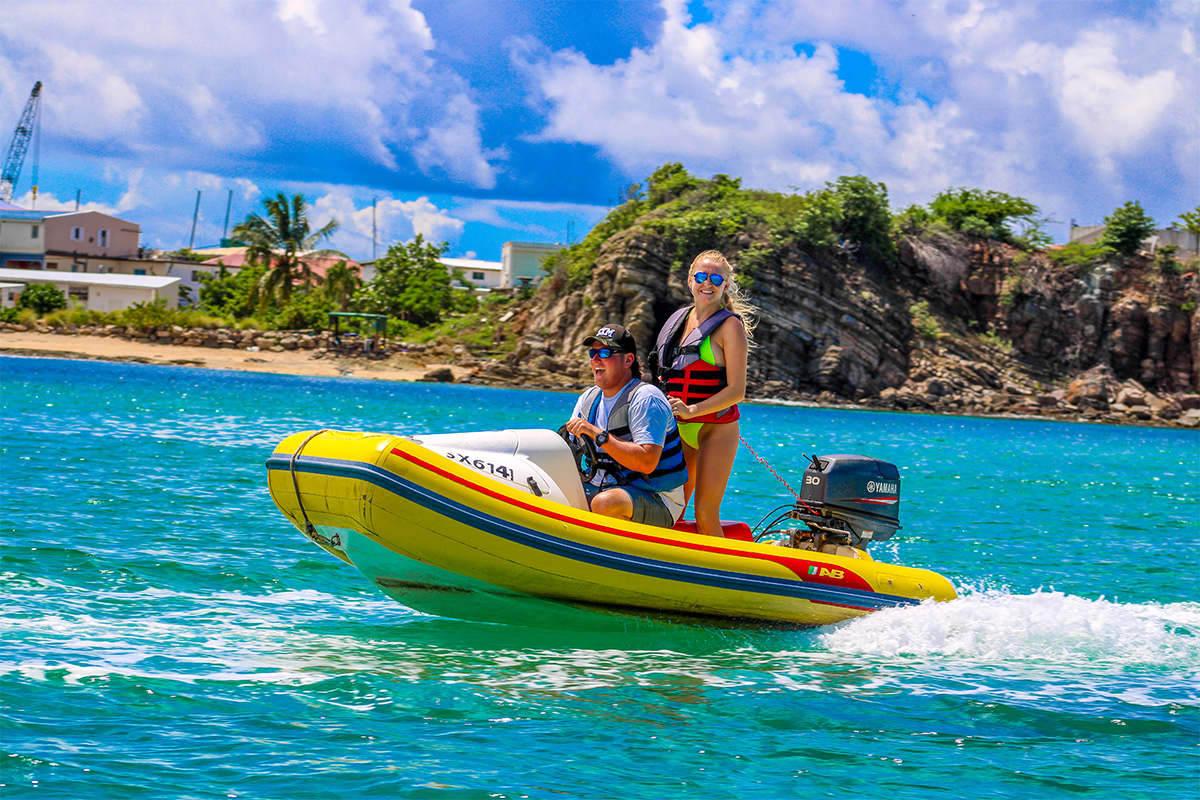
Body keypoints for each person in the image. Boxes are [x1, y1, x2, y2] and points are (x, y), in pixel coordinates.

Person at [650, 250, 756, 538]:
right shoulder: (677, 320)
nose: (707, 283)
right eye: (701, 276)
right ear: (690, 280)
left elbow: (737, 390)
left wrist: (692, 411)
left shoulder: (729, 326)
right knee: (673, 509)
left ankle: (729, 578)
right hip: (678, 430)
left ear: (725, 285)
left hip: (715, 429)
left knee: (705, 513)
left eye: (716, 278)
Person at [564, 323, 688, 527]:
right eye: (592, 353)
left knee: (605, 503)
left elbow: (647, 462)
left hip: (657, 498)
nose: (595, 359)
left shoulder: (646, 399)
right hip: (604, 487)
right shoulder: (588, 399)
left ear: (628, 360)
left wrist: (598, 434)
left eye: (605, 352)